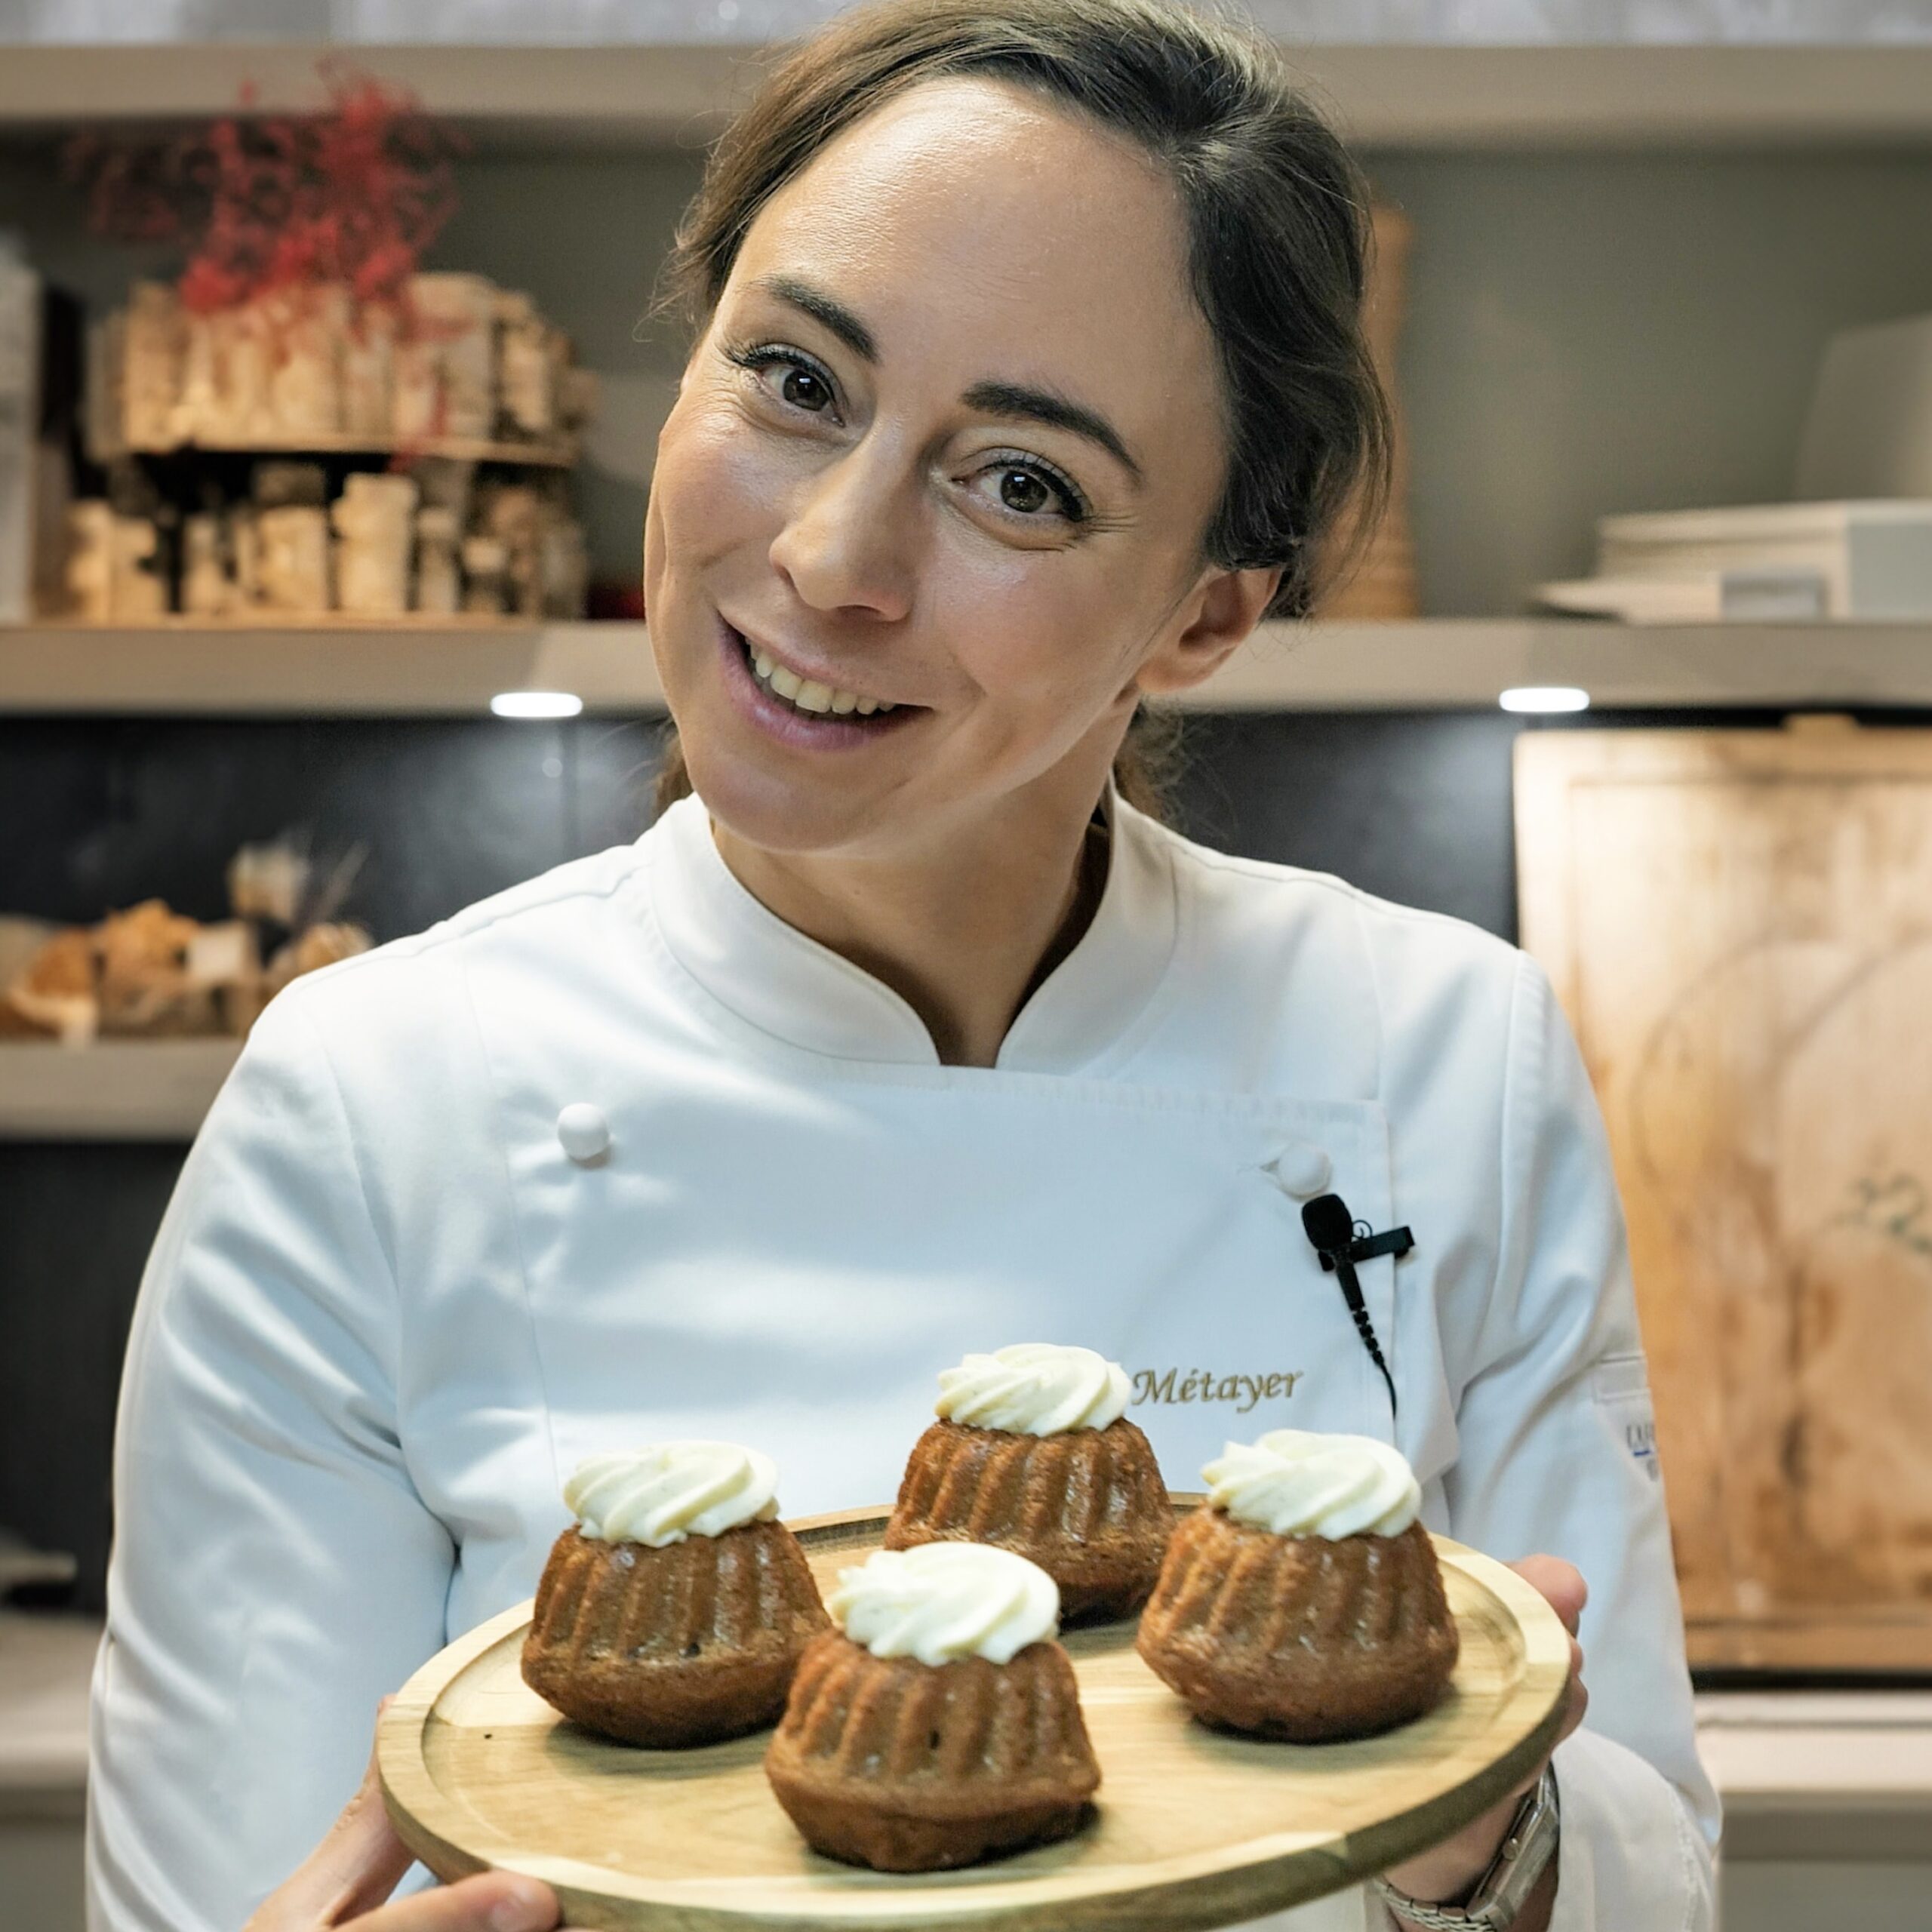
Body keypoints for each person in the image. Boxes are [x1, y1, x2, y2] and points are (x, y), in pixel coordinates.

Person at [87, 2, 1719, 1928]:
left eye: (1019, 483)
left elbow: (1646, 1865)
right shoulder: (364, 1101)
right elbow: (234, 1889)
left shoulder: (1440, 1051)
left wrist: (1485, 1835)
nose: (833, 557)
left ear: (1201, 612)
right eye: (790, 379)